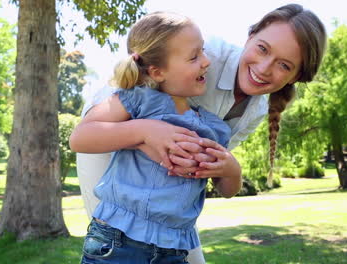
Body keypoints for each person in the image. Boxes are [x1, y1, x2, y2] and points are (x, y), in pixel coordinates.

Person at [73, 3, 327, 263]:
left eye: (284, 65)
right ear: (251, 35)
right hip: (110, 150)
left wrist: (226, 169)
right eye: (262, 48)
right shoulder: (201, 53)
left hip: (170, 200)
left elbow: (213, 170)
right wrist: (145, 133)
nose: (263, 68)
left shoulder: (257, 110)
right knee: (122, 242)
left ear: (297, 76)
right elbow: (100, 118)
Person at [70, 11, 240, 264]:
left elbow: (226, 190)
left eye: (203, 52)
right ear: (157, 72)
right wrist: (143, 130)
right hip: (118, 241)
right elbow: (80, 138)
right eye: (194, 56)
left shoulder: (213, 128)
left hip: (173, 251)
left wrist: (232, 170)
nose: (206, 62)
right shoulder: (139, 101)